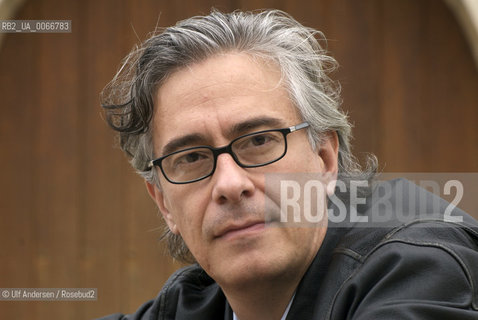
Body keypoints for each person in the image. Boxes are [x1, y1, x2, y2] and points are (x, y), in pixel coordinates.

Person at [99, 9, 478, 320]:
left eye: (260, 141)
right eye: (192, 158)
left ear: (325, 159)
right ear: (164, 203)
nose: (230, 184)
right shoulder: (190, 306)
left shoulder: (417, 265)